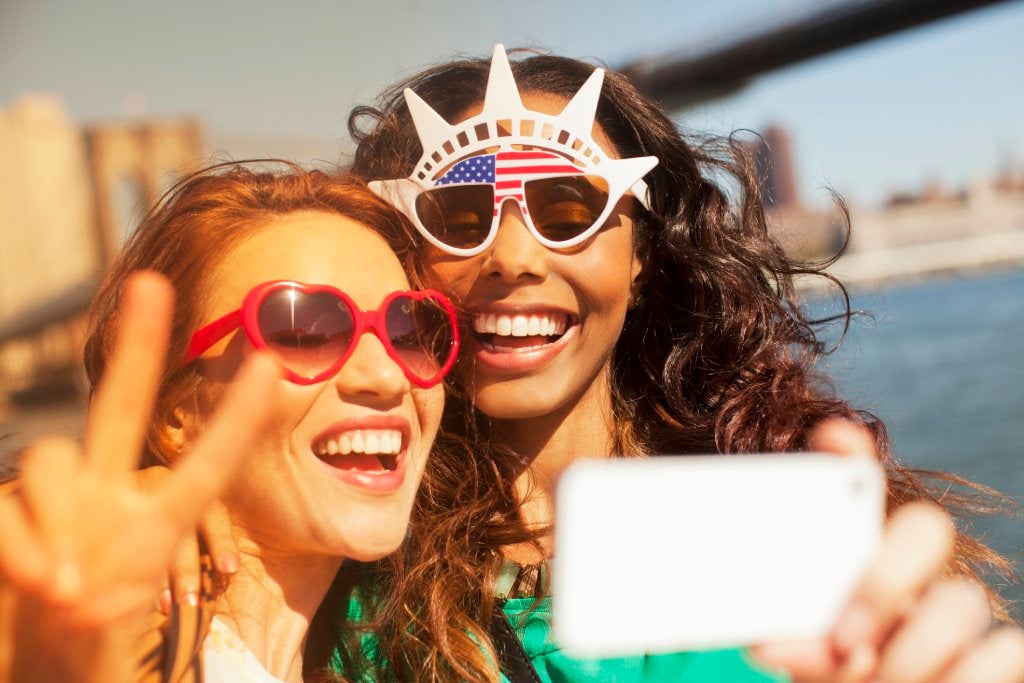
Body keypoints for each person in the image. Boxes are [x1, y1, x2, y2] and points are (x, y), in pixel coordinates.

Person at [339, 45, 1024, 682]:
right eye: (458, 218)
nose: (514, 257)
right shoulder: (328, 594)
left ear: (641, 259)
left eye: (569, 210)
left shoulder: (794, 542)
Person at [0, 163, 461, 682]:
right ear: (174, 412)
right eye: (301, 329)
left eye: (409, 329)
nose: (386, 375)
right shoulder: (106, 647)